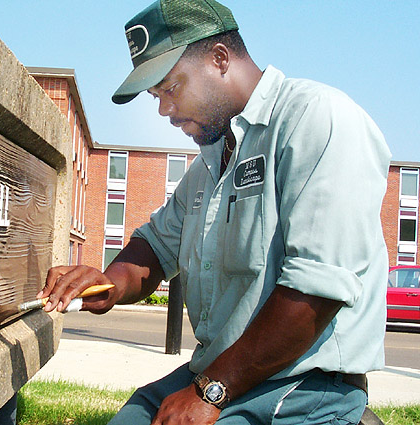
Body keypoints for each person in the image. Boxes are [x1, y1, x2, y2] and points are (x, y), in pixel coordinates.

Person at [39, 0, 391, 423]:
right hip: (216, 375)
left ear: (219, 59)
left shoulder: (317, 119)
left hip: (302, 385)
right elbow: (155, 246)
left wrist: (212, 392)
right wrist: (107, 284)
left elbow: (316, 289)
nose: (163, 110)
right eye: (156, 96)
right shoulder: (210, 162)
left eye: (171, 88)